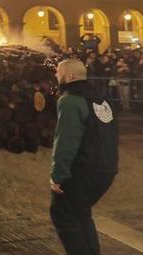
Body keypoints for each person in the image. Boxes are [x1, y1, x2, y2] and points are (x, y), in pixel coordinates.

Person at [50, 59, 119, 255]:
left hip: (82, 171)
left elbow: (66, 141)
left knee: (64, 216)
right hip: (105, 168)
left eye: (58, 72)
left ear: (70, 76)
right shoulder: (100, 98)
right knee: (81, 214)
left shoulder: (70, 99)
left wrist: (58, 175)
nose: (56, 76)